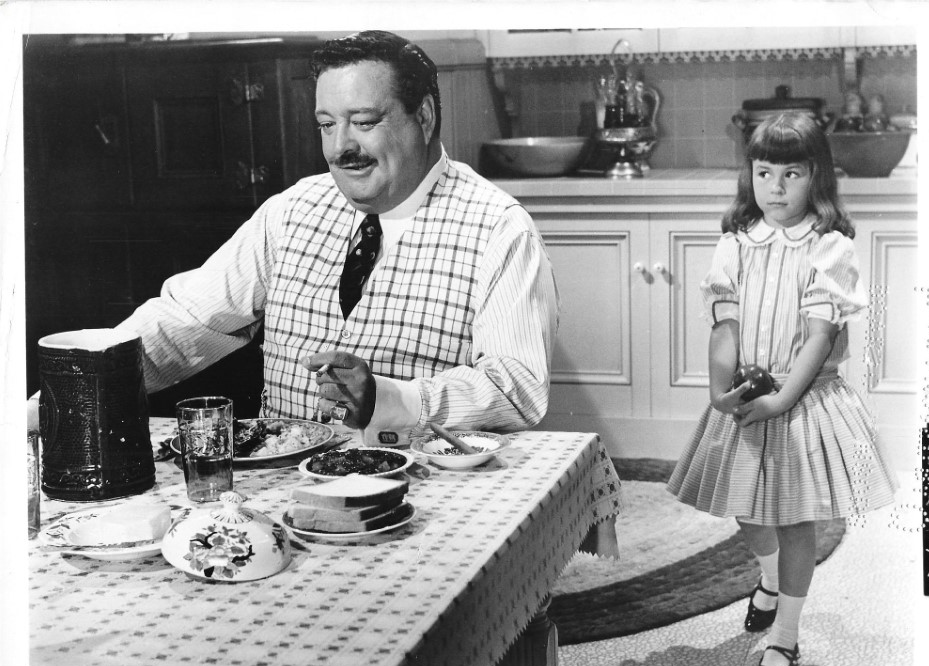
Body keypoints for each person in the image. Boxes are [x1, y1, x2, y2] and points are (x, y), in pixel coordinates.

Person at [26, 31, 558, 444]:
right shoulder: (292, 211)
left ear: (424, 115)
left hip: (422, 498)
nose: (341, 147)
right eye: (326, 124)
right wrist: (60, 397)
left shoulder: (497, 228)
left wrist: (390, 398)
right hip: (284, 495)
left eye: (363, 121)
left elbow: (517, 388)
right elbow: (186, 321)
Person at [666, 112, 897, 666]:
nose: (775, 187)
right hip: (750, 399)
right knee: (748, 510)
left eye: (791, 174)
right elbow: (725, 326)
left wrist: (782, 401)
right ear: (750, 174)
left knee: (794, 520)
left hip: (804, 400)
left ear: (816, 175)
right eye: (764, 172)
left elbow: (819, 337)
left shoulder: (830, 247)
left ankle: (785, 636)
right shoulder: (735, 244)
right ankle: (769, 579)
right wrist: (720, 392)